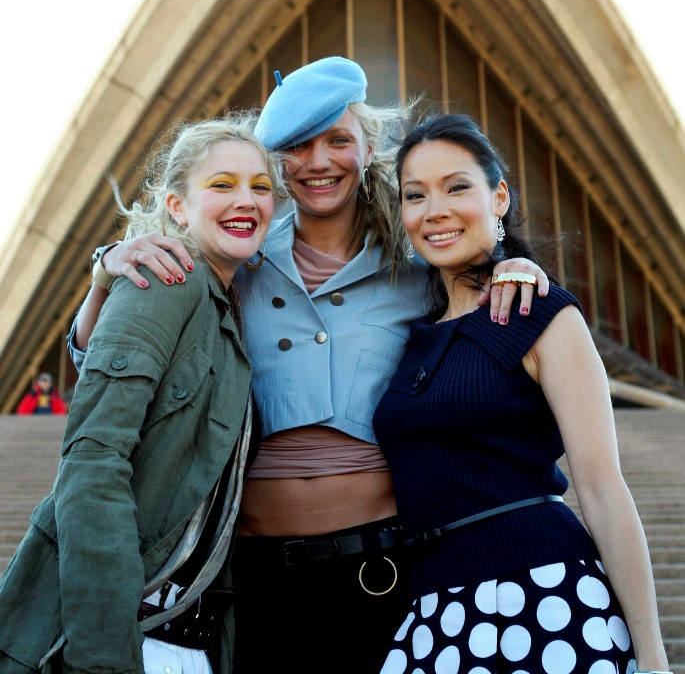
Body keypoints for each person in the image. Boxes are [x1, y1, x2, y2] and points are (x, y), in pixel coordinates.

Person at [67, 58, 549, 674]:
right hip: (253, 581)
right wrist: (105, 271)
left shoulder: (417, 268)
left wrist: (509, 264)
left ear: (367, 148)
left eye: (338, 141)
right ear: (275, 161)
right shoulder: (236, 253)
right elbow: (108, 364)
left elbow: (476, 288)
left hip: (384, 570)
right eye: (297, 146)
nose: (318, 162)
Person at [372, 113, 669, 674]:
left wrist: (653, 657)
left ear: (499, 197)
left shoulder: (542, 313)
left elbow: (603, 489)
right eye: (415, 195)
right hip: (434, 609)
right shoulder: (412, 337)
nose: (435, 210)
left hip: (541, 597)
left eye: (457, 187)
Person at [0, 115, 279, 674]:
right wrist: (104, 657)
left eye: (261, 186)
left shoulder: (230, 305)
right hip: (125, 637)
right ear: (177, 206)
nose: (246, 200)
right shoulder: (166, 281)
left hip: (189, 638)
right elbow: (93, 462)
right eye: (222, 184)